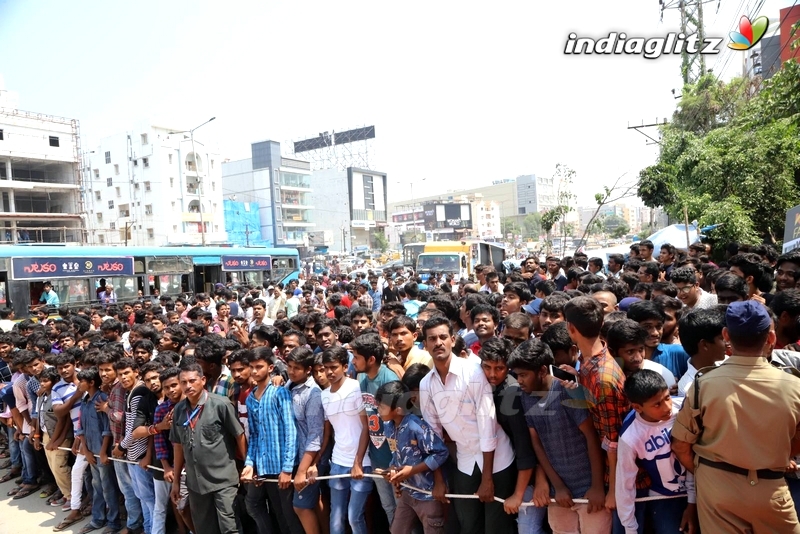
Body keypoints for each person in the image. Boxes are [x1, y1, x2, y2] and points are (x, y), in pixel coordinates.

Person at [671, 301, 800, 532]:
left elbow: (680, 445)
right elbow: (797, 443)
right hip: (771, 488)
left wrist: (707, 472)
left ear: (726, 334)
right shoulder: (794, 386)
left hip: (717, 490)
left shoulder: (703, 384)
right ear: (771, 338)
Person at [418, 316, 517, 534]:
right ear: (425, 345)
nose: (438, 343)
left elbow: (487, 424)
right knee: (468, 525)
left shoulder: (473, 371)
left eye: (443, 337)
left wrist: (487, 478)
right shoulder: (426, 384)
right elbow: (433, 438)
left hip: (497, 461)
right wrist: (439, 480)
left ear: (453, 340)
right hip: (465, 461)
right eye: (432, 339)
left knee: (495, 528)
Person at [507, 338, 609, 532]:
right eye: (516, 375)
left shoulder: (566, 389)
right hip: (560, 494)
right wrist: (557, 486)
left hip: (589, 491)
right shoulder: (525, 397)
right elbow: (537, 445)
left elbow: (591, 437)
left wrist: (597, 486)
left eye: (523, 375)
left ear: (543, 371)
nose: (519, 380)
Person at [563, 297, 628, 512]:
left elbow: (613, 439)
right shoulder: (589, 360)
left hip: (617, 479)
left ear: (570, 328)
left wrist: (610, 491)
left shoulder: (603, 378)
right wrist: (578, 379)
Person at [478, 338, 546, 533]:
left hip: (533, 475)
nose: (492, 374)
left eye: (499, 368)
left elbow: (526, 448)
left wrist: (518, 494)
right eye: (487, 367)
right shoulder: (487, 386)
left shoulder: (511, 394)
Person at [616, 370, 696, 534]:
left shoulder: (683, 408)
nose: (667, 407)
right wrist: (630, 527)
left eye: (667, 397)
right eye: (657, 404)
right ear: (637, 407)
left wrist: (693, 501)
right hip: (663, 497)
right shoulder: (631, 435)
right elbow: (625, 482)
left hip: (699, 490)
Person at [170, 363, 246, 534]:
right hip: (196, 483)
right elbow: (178, 445)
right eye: (183, 382)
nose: (188, 386)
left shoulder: (221, 404)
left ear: (203, 380)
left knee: (230, 528)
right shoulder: (179, 410)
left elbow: (239, 435)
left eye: (192, 381)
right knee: (204, 528)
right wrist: (176, 481)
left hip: (223, 480)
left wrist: (247, 465)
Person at [241, 347, 303, 534]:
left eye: (259, 366)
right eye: (251, 367)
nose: (254, 371)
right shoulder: (251, 399)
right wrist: (251, 464)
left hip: (282, 468)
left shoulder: (279, 393)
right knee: (278, 515)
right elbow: (255, 436)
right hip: (264, 468)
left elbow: (291, 432)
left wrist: (287, 468)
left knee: (290, 517)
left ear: (270, 368)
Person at [377, 380, 449, 534]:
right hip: (407, 492)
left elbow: (441, 452)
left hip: (428, 495)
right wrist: (392, 470)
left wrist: (413, 470)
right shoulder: (389, 426)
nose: (378, 410)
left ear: (397, 409)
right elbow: (396, 455)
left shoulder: (417, 426)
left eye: (381, 407)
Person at [320, 345, 373, 534]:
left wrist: (358, 462)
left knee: (354, 516)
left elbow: (366, 426)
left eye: (333, 367)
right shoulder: (324, 395)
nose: (329, 372)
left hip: (362, 463)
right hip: (337, 462)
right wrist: (315, 463)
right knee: (336, 518)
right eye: (326, 367)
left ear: (344, 366)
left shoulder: (356, 388)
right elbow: (327, 433)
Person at [350, 332, 399, 525]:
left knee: (404, 513)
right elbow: (365, 425)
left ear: (371, 359)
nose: (352, 361)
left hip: (395, 463)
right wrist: (358, 461)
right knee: (389, 509)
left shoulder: (389, 379)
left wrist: (396, 462)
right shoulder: (361, 378)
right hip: (377, 457)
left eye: (356, 357)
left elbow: (399, 424)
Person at [78, 367, 122, 534]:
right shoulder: (84, 400)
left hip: (101, 452)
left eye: (81, 381)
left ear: (91, 383)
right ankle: (98, 519)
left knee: (108, 486)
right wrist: (86, 449)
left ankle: (114, 522)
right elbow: (81, 426)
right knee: (97, 486)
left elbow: (107, 429)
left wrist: (103, 452)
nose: (78, 384)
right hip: (90, 451)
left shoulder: (102, 399)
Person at [285, 347, 324, 534]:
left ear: (308, 370)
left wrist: (302, 470)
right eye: (289, 366)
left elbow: (315, 435)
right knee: (313, 503)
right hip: (293, 457)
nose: (291, 371)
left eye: (296, 368)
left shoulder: (313, 394)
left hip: (308, 460)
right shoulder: (289, 385)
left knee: (300, 506)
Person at [626, 301, 690, 380]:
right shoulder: (622, 357)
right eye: (647, 327)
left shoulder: (679, 353)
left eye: (659, 326)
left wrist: (682, 386)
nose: (655, 333)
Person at [606, 319, 676, 388]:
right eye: (630, 352)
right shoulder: (605, 377)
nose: (638, 358)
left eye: (641, 349)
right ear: (612, 352)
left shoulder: (662, 375)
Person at [675, 309, 727, 397]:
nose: (727, 342)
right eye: (722, 339)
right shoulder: (689, 389)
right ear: (705, 345)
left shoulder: (727, 362)